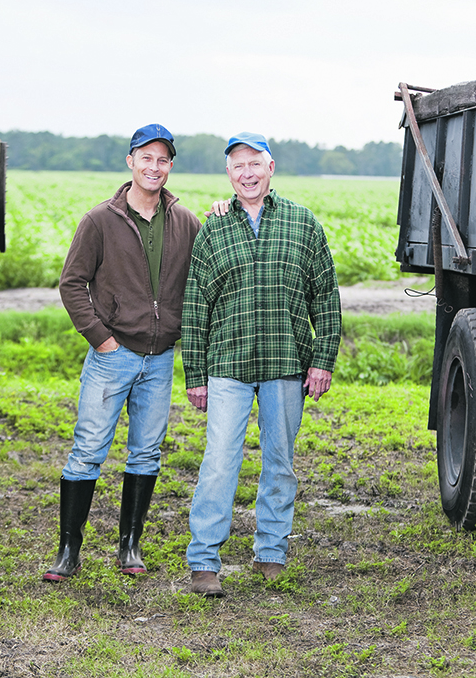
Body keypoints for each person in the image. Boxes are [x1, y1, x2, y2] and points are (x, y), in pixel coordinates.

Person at [182, 132, 342, 597]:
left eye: (255, 164)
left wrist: (322, 361)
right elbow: (195, 307)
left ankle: (271, 552)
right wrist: (195, 375)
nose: (247, 173)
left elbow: (325, 298)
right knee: (219, 462)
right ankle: (204, 561)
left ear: (271, 168)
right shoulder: (213, 228)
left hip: (286, 362)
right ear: (228, 174)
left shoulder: (302, 223)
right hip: (227, 365)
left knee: (279, 462)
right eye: (238, 166)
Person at [43, 124, 201, 581]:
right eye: (146, 157)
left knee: (146, 454)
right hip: (113, 356)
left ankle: (129, 545)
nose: (154, 167)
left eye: (163, 159)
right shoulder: (100, 221)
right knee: (88, 451)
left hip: (160, 358)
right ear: (131, 161)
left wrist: (224, 210)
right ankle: (68, 551)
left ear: (170, 166)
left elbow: (207, 265)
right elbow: (72, 283)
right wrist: (101, 339)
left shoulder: (186, 222)